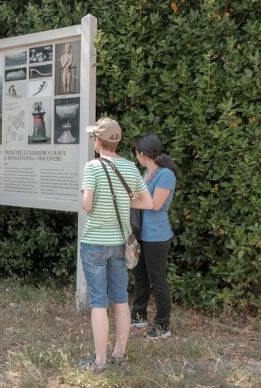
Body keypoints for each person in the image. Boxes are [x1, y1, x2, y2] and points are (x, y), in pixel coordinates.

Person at [77, 117, 153, 373]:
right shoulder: (131, 168)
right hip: (120, 242)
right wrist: (124, 202)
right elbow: (148, 202)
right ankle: (119, 353)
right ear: (116, 142)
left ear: (98, 141)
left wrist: (93, 201)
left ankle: (99, 361)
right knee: (121, 299)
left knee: (99, 302)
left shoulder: (92, 167)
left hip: (95, 243)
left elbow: (87, 204)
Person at [131, 134, 179, 339]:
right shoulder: (146, 174)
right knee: (141, 276)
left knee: (158, 281)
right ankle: (139, 315)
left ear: (142, 154)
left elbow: (155, 204)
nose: (136, 156)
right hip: (142, 233)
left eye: (136, 153)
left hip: (157, 237)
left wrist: (127, 201)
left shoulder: (165, 175)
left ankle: (162, 326)